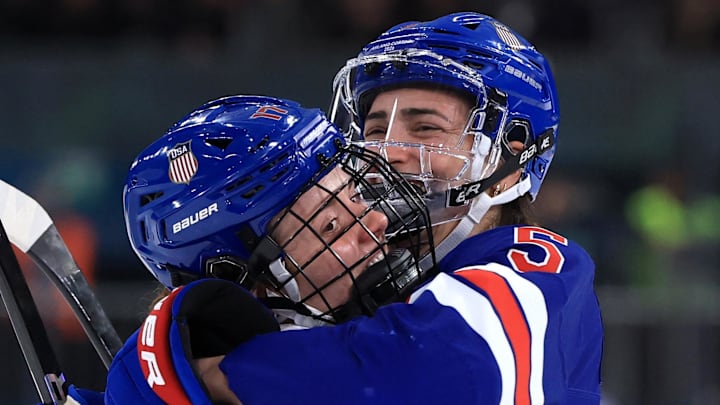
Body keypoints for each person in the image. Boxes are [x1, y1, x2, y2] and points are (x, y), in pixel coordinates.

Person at [98, 12, 602, 405]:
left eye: (425, 129)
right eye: (376, 127)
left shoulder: (538, 267)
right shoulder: (368, 282)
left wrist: (198, 372)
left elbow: (431, 372)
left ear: (513, 158)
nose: (388, 150)